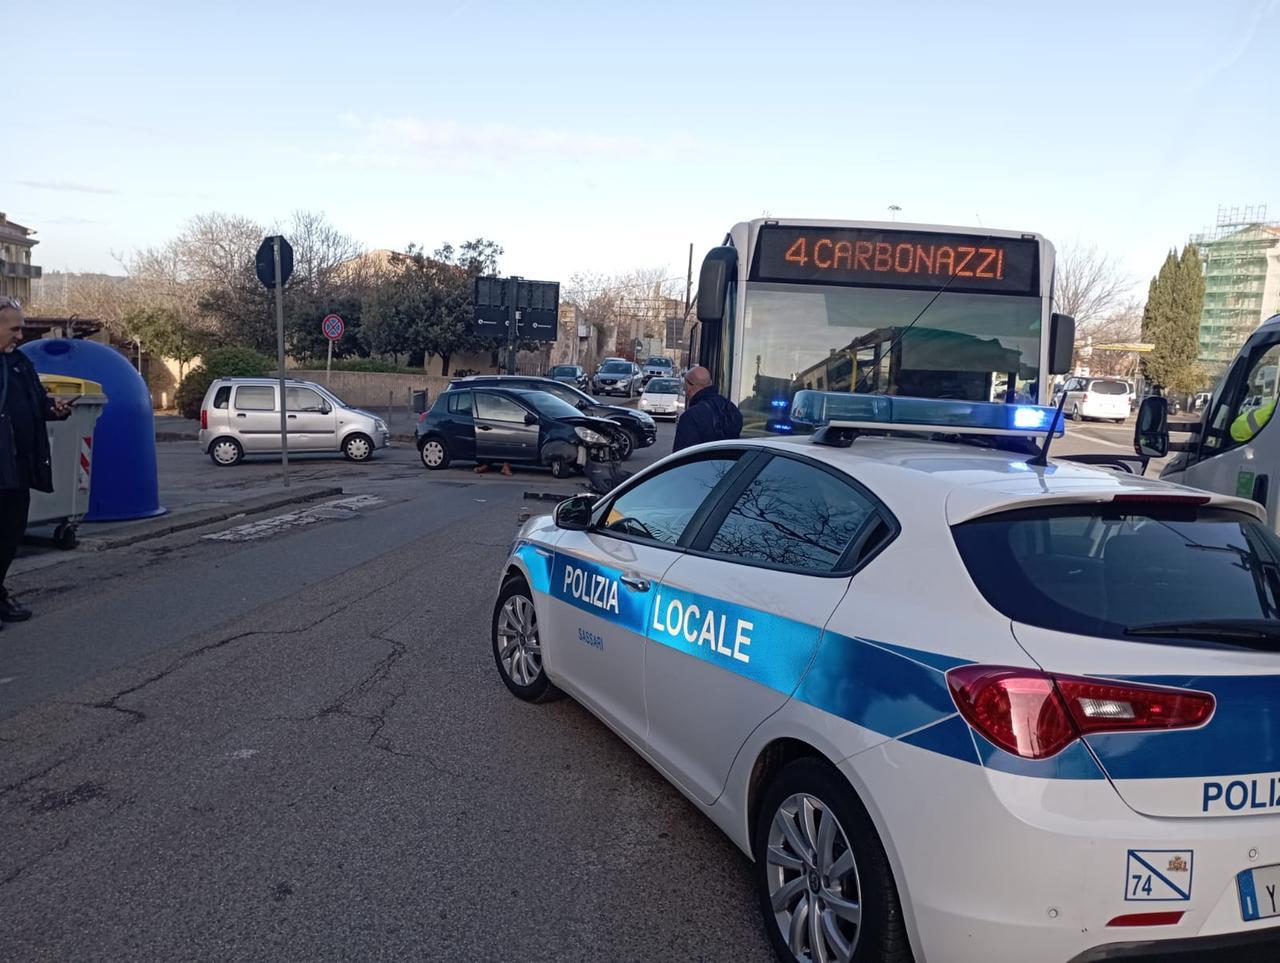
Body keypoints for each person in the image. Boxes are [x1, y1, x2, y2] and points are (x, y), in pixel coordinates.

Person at [0, 298, 74, 625]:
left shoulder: (19, 363)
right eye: (13, 328)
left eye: (20, 328)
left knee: (9, 534)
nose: (19, 335)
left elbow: (34, 402)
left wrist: (52, 409)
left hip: (17, 468)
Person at [673, 366, 742, 452]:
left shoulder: (690, 417)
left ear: (688, 386)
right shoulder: (731, 408)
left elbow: (681, 456)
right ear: (710, 383)